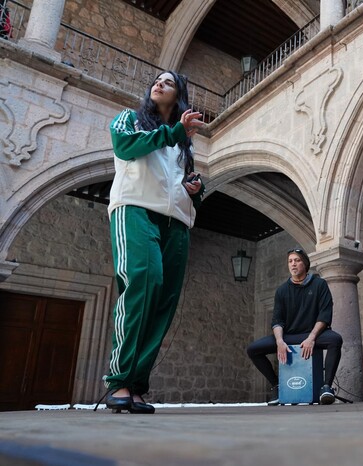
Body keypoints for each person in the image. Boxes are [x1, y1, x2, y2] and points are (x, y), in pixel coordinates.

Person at [102, 71, 205, 413]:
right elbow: (126, 147)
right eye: (156, 81)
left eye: (169, 83)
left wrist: (196, 189)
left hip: (176, 222)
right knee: (144, 282)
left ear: (179, 97)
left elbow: (178, 181)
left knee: (164, 300)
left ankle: (136, 385)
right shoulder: (128, 118)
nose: (158, 85)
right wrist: (174, 131)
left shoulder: (182, 143)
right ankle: (119, 380)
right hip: (134, 209)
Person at [246, 248, 343, 405]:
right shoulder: (282, 291)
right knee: (253, 349)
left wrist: (311, 338)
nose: (293, 264)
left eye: (297, 260)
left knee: (335, 340)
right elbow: (277, 320)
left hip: (313, 334)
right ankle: (277, 386)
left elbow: (324, 315)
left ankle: (326, 387)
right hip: (288, 336)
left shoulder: (319, 284)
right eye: (290, 261)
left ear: (305, 263)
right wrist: (279, 341)